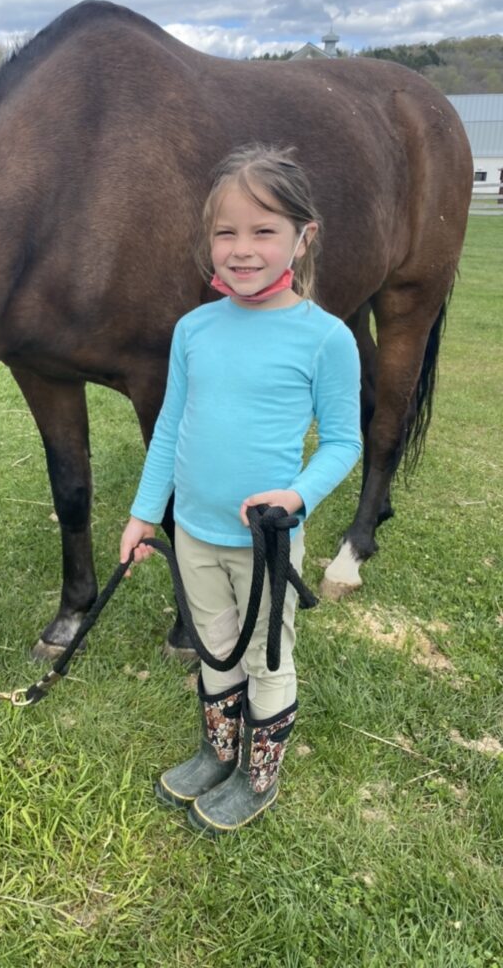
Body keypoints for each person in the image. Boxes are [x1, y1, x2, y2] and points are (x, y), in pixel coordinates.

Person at [119, 144, 361, 836]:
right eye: (226, 232)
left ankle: (258, 776)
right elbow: (170, 425)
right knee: (215, 648)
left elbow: (344, 440)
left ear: (303, 237)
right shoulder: (193, 330)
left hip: (265, 544)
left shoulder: (326, 340)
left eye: (264, 231)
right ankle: (215, 752)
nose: (242, 249)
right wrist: (144, 515)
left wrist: (298, 495)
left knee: (265, 657)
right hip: (193, 532)